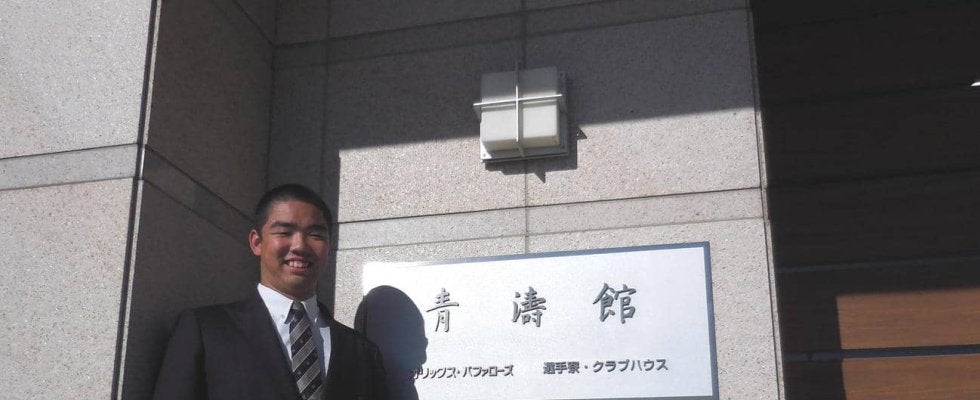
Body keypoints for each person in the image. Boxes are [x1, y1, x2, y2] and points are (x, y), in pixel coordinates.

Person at [153, 184, 387, 400]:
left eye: (315, 235)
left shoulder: (362, 353)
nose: (300, 246)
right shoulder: (205, 330)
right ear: (257, 242)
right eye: (284, 233)